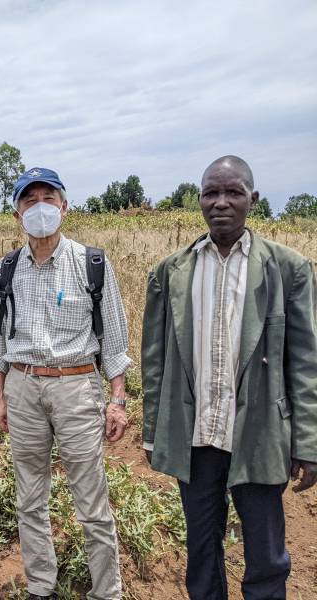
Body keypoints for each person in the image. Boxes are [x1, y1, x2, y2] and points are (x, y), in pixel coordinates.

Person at [141, 155, 317, 600]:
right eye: (210, 193)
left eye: (233, 192)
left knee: (266, 556)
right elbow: (155, 359)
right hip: (196, 435)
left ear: (252, 200)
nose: (221, 203)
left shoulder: (288, 269)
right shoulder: (170, 272)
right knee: (201, 551)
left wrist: (309, 442)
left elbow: (304, 361)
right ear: (199, 201)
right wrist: (150, 432)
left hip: (258, 433)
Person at [0, 168, 130, 600]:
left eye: (48, 198)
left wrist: (118, 400)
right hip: (23, 387)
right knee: (29, 497)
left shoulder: (92, 264)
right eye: (29, 200)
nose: (39, 207)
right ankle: (41, 586)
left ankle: (107, 591)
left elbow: (116, 341)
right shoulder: (5, 270)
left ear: (64, 206)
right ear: (16, 214)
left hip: (76, 386)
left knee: (91, 500)